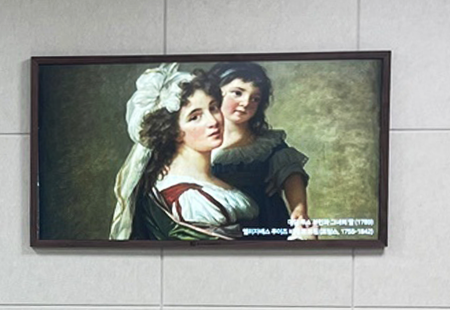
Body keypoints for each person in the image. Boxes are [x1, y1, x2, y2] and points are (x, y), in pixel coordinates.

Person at [110, 63, 259, 241]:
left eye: (213, 108)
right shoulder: (187, 199)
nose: (213, 121)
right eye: (195, 117)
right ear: (173, 131)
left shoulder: (216, 179)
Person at [206, 61, 312, 239]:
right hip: (217, 224)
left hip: (265, 222)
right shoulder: (197, 140)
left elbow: (291, 174)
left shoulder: (266, 143)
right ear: (214, 93)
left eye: (255, 98)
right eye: (237, 93)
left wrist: (299, 210)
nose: (246, 102)